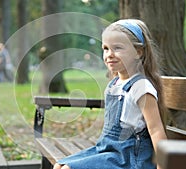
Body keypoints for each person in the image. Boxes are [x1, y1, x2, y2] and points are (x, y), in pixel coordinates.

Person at [53, 19, 168, 169]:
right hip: (107, 150)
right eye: (106, 48)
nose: (109, 54)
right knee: (59, 165)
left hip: (130, 158)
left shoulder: (141, 86)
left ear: (138, 52)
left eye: (117, 48)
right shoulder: (114, 84)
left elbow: (156, 130)